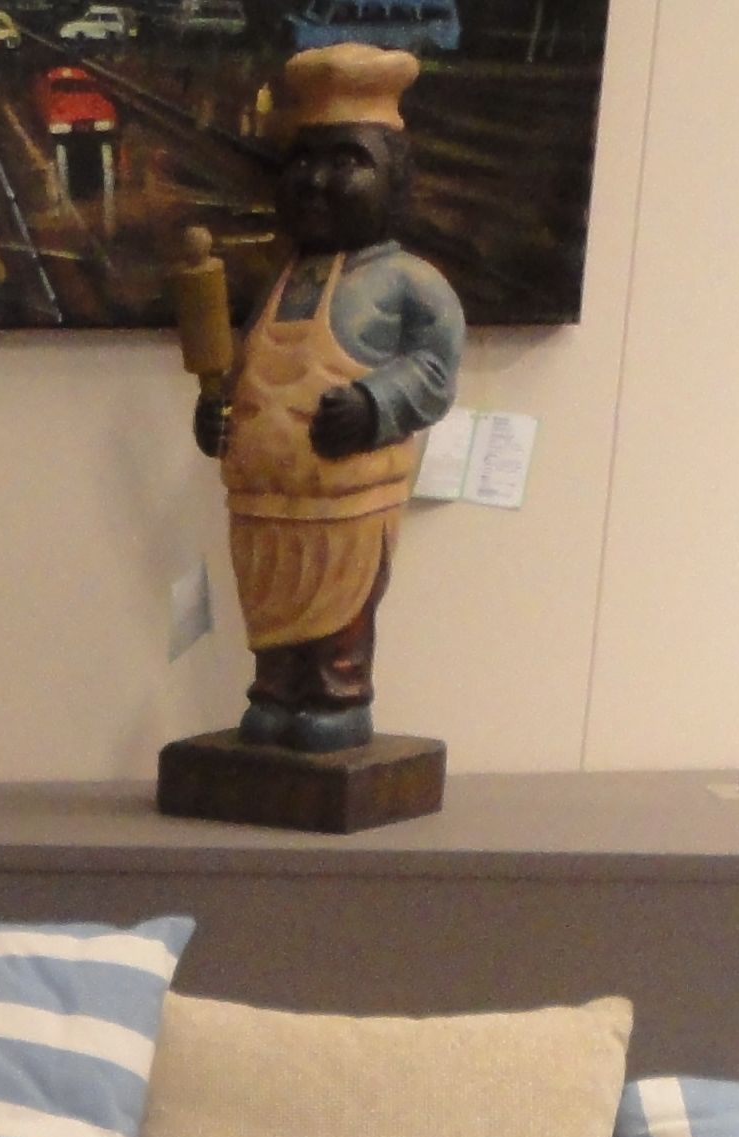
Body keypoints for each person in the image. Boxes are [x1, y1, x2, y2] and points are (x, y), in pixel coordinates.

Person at [194, 46, 464, 751]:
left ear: (394, 179)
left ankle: (338, 697)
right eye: (304, 161)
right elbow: (249, 369)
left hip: (346, 504)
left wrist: (374, 405)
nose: (316, 181)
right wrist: (218, 414)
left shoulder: (410, 282)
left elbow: (434, 370)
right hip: (265, 502)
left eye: (346, 162)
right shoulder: (280, 278)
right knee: (270, 608)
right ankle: (274, 691)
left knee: (340, 610)